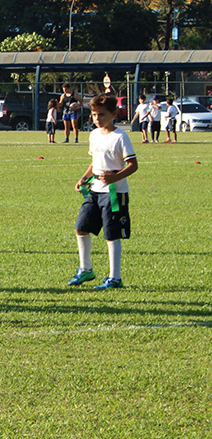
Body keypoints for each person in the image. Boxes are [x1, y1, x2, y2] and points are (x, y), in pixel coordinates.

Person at [68, 94, 138, 291]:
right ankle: (85, 269)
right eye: (94, 115)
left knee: (111, 234)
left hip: (114, 193)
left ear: (114, 114)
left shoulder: (120, 137)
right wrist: (83, 178)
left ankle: (115, 278)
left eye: (101, 115)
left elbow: (133, 165)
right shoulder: (94, 134)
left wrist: (116, 177)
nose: (97, 118)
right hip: (94, 190)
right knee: (81, 228)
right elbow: (94, 162)